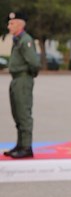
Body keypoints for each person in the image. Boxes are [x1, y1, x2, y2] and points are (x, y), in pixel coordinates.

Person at [3, 11, 40, 159]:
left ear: (19, 24)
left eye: (11, 23)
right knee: (17, 113)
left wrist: (27, 76)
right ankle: (20, 144)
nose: (8, 26)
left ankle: (26, 147)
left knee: (24, 113)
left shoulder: (26, 40)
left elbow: (34, 63)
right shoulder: (17, 40)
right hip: (16, 79)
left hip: (23, 79)